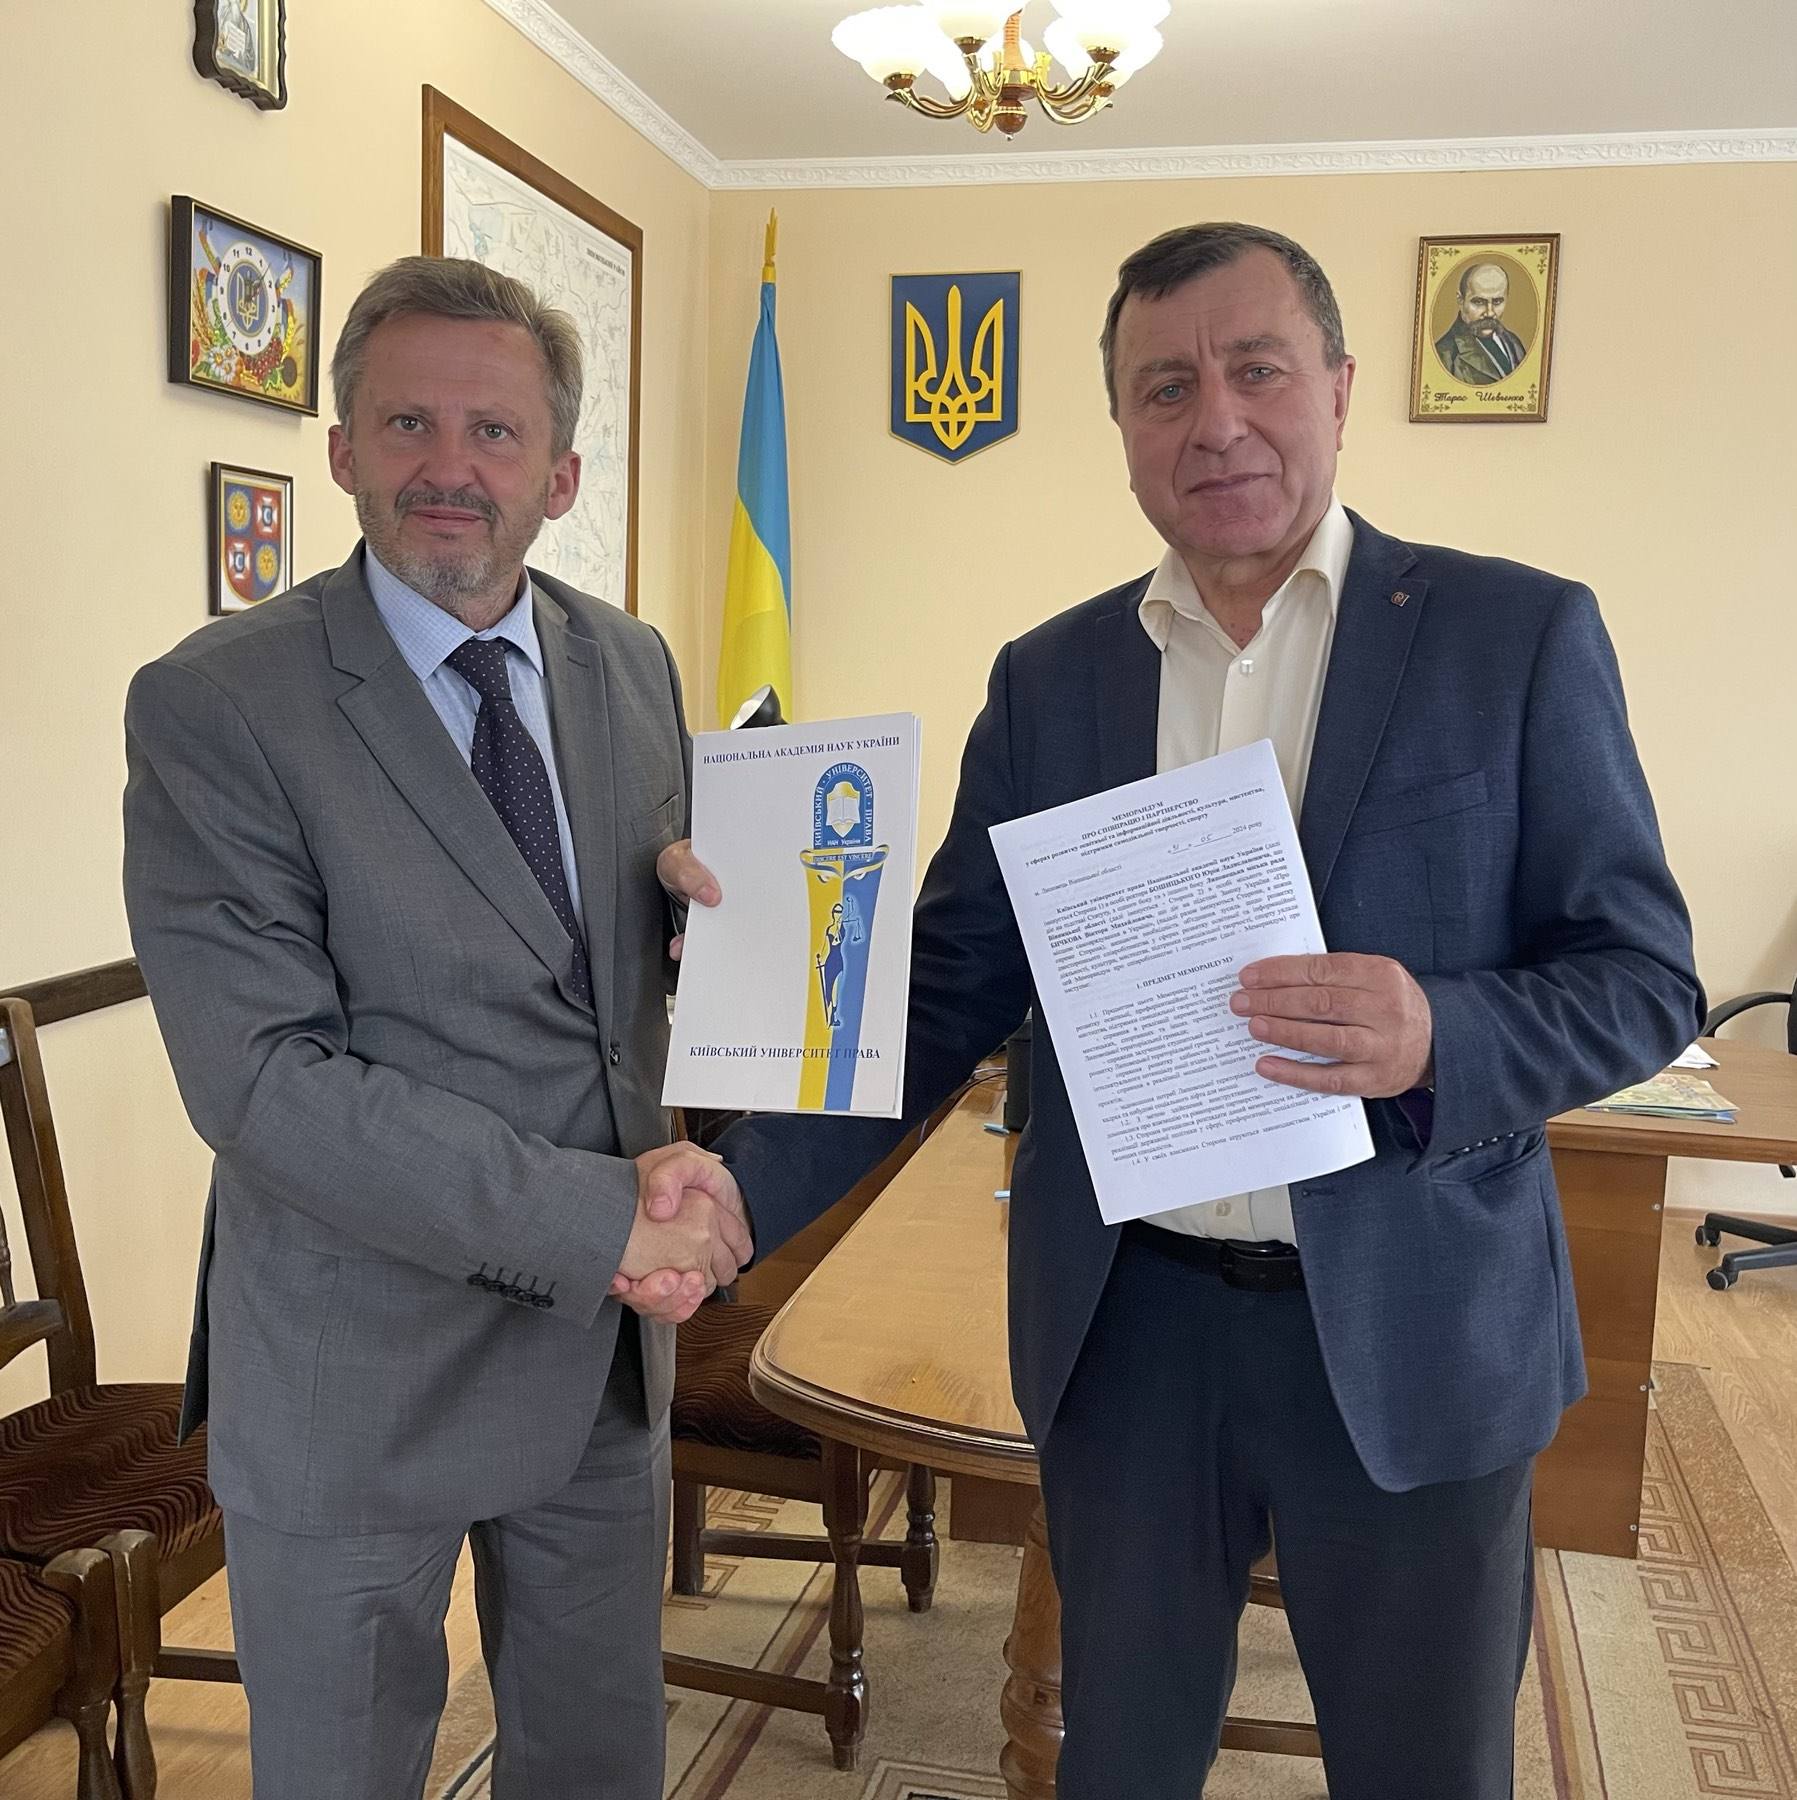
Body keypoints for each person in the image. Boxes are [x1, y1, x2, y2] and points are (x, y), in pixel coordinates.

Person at [634, 222, 1702, 1798]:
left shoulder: (1514, 638)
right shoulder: (1049, 681)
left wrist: (1440, 1032)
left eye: (1257, 369)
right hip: (1129, 1335)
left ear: (1338, 389)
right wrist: (740, 1189)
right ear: (1125, 429)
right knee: (1117, 1763)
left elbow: (1644, 975)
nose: (1217, 421)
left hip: (1414, 1331)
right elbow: (945, 987)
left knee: (1425, 1770)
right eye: (1165, 388)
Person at [124, 256, 740, 1800]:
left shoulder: (634, 665)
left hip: (598, 1364)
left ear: (561, 475)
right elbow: (264, 1080)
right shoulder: (219, 703)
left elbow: (601, 978)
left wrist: (712, 940)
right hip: (357, 1374)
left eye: (494, 431)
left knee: (598, 1768)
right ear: (342, 448)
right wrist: (602, 1219)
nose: (448, 466)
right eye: (407, 423)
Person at [1435, 258, 1531, 384]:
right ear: (1460, 300)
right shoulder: (1445, 356)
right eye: (1479, 302)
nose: (1489, 313)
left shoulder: (1513, 342)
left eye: (1497, 302)